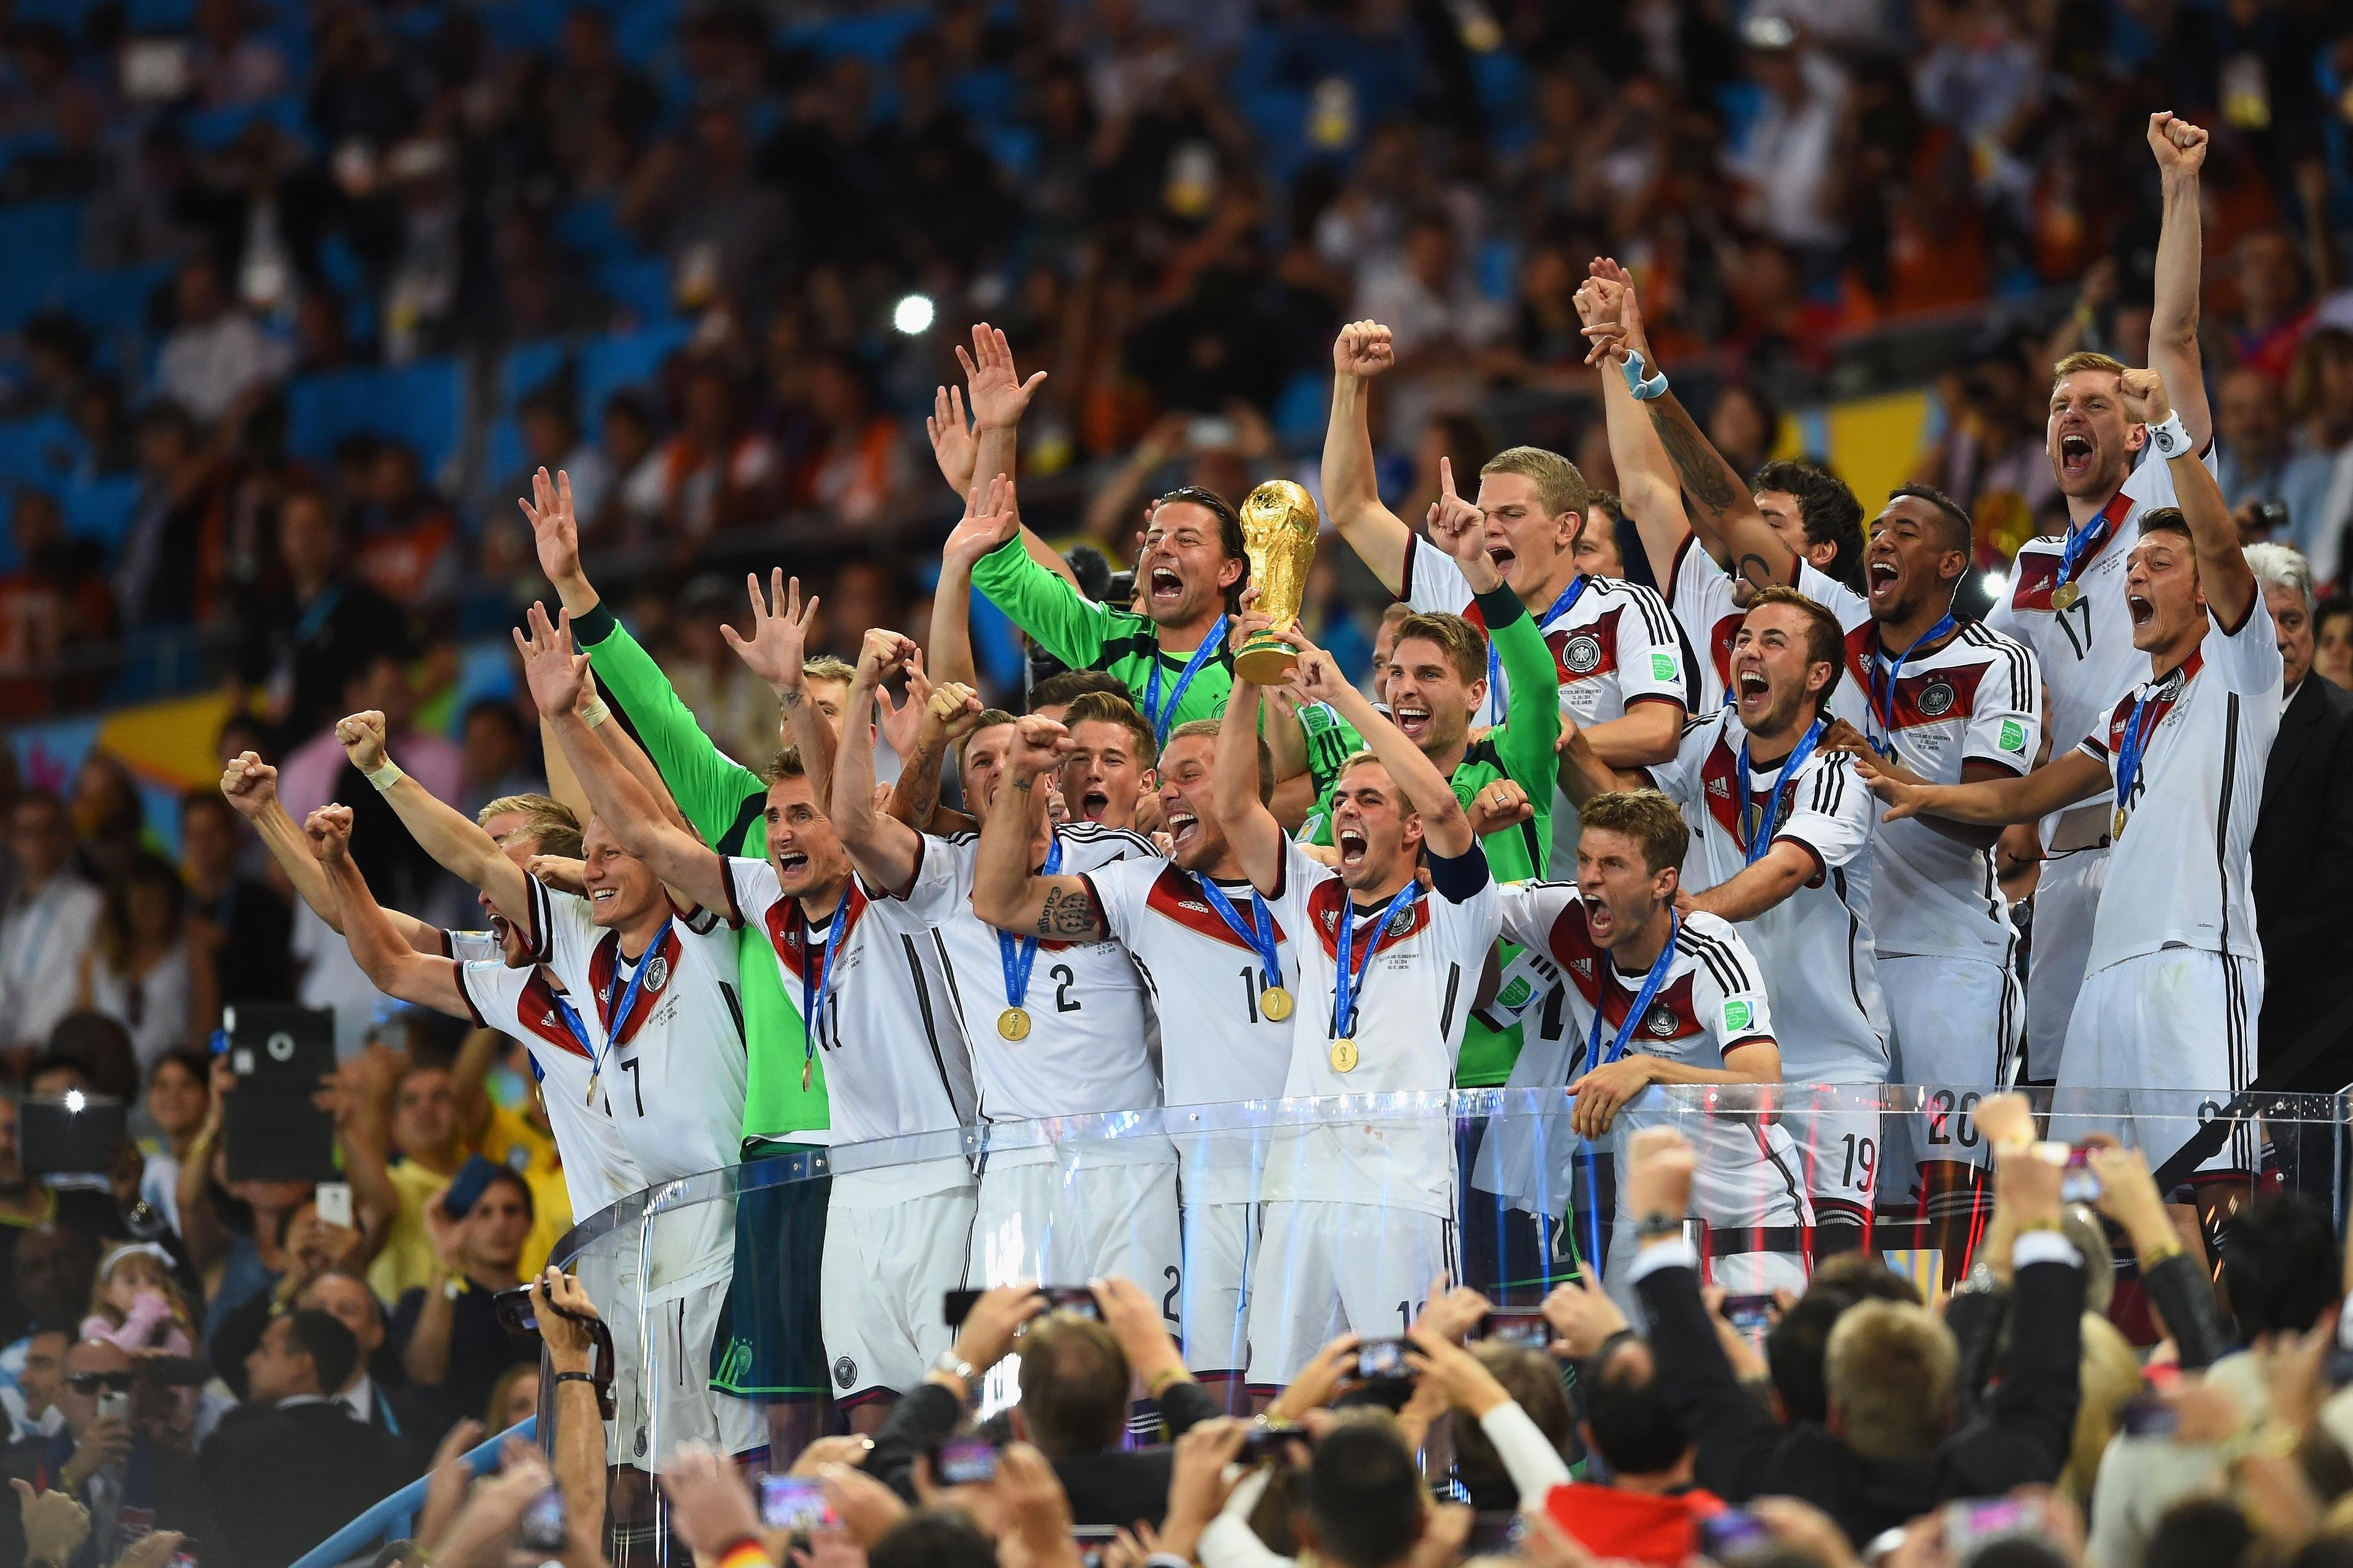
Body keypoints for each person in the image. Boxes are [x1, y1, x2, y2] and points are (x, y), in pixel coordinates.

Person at [1585, 265, 2040, 1222]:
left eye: (1906, 531)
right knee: (1820, 1213)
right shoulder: (1824, 621)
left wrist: (1894, 780)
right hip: (1820, 956)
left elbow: (1991, 826)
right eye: (1880, 526)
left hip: (1943, 944)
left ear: (1953, 563)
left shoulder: (1996, 659)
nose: (1884, 538)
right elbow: (1717, 511)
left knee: (1954, 1199)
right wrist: (1646, 374)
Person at [525, 580, 976, 1431]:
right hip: (799, 1166)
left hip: (921, 1167)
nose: (785, 830)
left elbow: (864, 814)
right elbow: (650, 806)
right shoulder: (766, 886)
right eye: (777, 816)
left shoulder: (914, 865)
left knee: (941, 1415)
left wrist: (791, 692)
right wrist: (570, 715)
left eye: (805, 813)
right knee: (819, 1415)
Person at [1865, 367, 2275, 1180]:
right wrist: (1918, 790)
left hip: (2192, 954)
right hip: (2103, 964)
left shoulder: (2239, 674)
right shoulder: (2125, 714)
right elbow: (2026, 792)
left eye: (2159, 565)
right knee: (2091, 1189)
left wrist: (2168, 431)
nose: (2134, 579)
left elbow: (2223, 545)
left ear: (2206, 593)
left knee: (2209, 1187)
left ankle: (2239, 1312)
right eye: (2133, 568)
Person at [830, 613, 1178, 1301]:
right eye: (981, 763)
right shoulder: (945, 873)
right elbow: (853, 827)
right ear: (965, 794)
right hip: (1017, 1163)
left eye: (1011, 758)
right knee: (1012, 1385)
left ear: (1050, 776)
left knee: (1139, 1375)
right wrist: (862, 688)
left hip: (1129, 1153)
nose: (998, 771)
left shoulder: (1117, 856)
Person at [1974, 114, 2215, 1089]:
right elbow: (2005, 704)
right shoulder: (2032, 567)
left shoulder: (2162, 499)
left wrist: (2178, 188)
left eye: (2097, 405)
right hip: (2065, 868)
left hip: (2160, 850)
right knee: (2069, 1117)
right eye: (2058, 407)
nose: (2072, 415)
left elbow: (2176, 335)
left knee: (2177, 1119)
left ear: (2134, 433)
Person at [1212, 624, 1500, 1388]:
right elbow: (1236, 806)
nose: (1346, 811)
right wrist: (1249, 674)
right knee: (1281, 1396)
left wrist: (1342, 695)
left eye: (1369, 800)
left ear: (1409, 830)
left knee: (1416, 1390)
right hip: (1300, 1184)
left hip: (1401, 1191)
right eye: (1341, 799)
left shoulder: (1457, 915)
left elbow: (1443, 804)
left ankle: (1437, 1503)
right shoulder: (1311, 899)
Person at [970, 711, 1294, 1387]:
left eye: (1189, 775)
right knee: (1211, 1396)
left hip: (1315, 1179)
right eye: (1164, 778)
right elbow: (1000, 901)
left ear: (1243, 783)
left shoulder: (1318, 886)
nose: (1165, 793)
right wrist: (1022, 776)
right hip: (1210, 1193)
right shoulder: (1144, 891)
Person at [1567, 588, 1888, 1247]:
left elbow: (1789, 868)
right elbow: (1630, 815)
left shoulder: (1838, 769)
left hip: (1829, 1060)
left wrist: (1686, 912)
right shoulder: (1713, 736)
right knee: (1722, 1251)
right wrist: (1566, 748)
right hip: (1723, 1055)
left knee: (1833, 1256)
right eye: (1744, 639)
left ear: (1818, 676)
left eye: (1773, 642)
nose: (1749, 651)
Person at [1619, 1115, 2084, 1548]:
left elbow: (1702, 1391)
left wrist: (1659, 1225)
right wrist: (2039, 1216)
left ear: (1835, 1413)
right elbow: (2046, 1381)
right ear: (1951, 1410)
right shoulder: (1996, 1480)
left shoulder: (1782, 1489)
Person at [1322, 320, 1687, 868]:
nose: (1489, 530)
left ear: (1567, 528)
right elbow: (1351, 506)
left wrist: (1516, 738)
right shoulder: (1456, 583)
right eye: (1484, 515)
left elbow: (1660, 730)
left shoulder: (1623, 607)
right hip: (1485, 880)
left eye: (1511, 516)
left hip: (1589, 885)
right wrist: (1350, 384)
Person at [1488, 790, 1805, 1292]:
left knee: (1761, 1363)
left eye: (1614, 864)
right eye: (1586, 859)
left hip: (1744, 1200)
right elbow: (1459, 894)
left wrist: (1650, 1070)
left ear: (1664, 882)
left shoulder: (1709, 949)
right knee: (1627, 1362)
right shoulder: (1564, 916)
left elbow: (1765, 1090)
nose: (1590, 878)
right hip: (1648, 1203)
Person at [864, 1278, 1225, 1529]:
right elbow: (1237, 1460)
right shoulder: (1179, 1485)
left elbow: (886, 1471)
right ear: (1122, 1420)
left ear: (1017, 1423)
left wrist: (960, 1363)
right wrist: (1162, 1364)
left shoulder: (976, 1500)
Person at [2244, 543, 2353, 1187]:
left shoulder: (2343, 726)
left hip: (2312, 1021)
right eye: (2267, 621)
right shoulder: (2211, 721)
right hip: (2226, 1011)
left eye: (2294, 621)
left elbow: (2343, 877)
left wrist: (2253, 959)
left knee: (2310, 1207)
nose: (2284, 638)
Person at [198, 1310, 412, 1568]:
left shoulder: (233, 1448)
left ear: (302, 1365)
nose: (249, 1362)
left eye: (264, 1351)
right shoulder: (393, 1455)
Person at [387, 1163, 540, 1438]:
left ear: (530, 1223)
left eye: (511, 1210)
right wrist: (445, 1262)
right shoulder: (422, 1302)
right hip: (459, 1457)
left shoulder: (547, 1303)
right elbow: (425, 1374)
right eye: (483, 1212)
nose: (499, 1223)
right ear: (460, 1224)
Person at [37, 1336, 216, 1568]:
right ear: (58, 1397)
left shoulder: (177, 1470)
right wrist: (72, 1475)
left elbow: (207, 1554)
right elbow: (19, 1550)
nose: (104, 1394)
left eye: (118, 1383)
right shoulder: (24, 1466)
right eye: (87, 1383)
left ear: (134, 1393)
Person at [0, 792, 102, 1060]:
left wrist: (44, 1046)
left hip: (59, 1058)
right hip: (10, 1058)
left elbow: (89, 990)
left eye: (49, 831)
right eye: (27, 832)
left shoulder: (88, 904)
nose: (38, 842)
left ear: (67, 836)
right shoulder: (14, 910)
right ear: (12, 840)